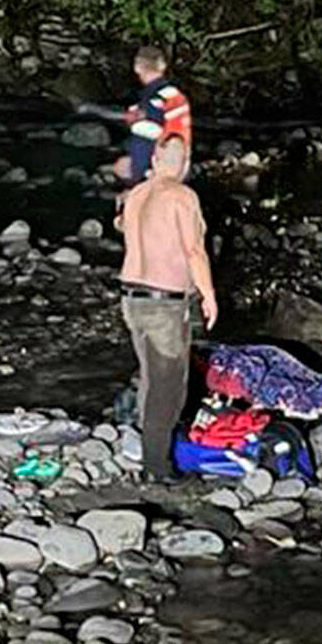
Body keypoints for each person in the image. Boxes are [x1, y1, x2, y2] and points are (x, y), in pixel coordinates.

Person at [117, 134, 217, 481]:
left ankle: (148, 451)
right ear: (185, 164)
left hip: (132, 298)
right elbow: (194, 251)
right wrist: (208, 294)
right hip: (163, 304)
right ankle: (157, 468)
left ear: (156, 162)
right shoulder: (182, 196)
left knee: (149, 378)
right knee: (169, 387)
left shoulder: (136, 195)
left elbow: (124, 229)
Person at [118, 46, 192, 185]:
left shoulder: (154, 99)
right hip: (180, 165)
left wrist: (138, 177)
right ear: (162, 66)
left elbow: (150, 134)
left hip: (160, 171)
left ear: (137, 68)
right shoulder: (175, 95)